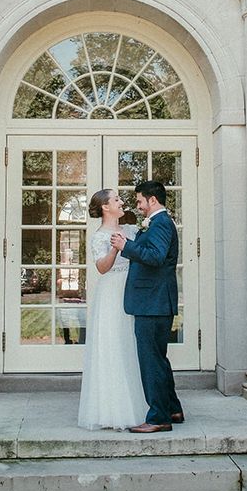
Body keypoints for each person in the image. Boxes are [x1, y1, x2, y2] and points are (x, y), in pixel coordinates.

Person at [111, 180, 185, 433]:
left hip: (152, 303)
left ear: (152, 200)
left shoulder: (161, 223)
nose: (139, 206)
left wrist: (126, 247)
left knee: (151, 362)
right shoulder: (158, 223)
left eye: (140, 201)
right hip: (153, 302)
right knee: (158, 360)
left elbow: (155, 256)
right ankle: (172, 409)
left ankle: (158, 418)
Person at [77, 189, 149, 429]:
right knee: (113, 345)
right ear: (106, 207)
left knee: (131, 344)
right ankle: (112, 410)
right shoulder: (99, 236)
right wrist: (116, 248)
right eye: (117, 199)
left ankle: (140, 403)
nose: (122, 202)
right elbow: (102, 268)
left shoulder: (129, 230)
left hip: (133, 289)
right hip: (111, 293)